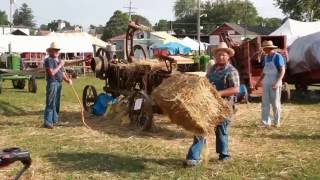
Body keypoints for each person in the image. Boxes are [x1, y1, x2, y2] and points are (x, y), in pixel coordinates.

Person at [185, 42, 240, 166]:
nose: (221, 57)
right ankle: (193, 158)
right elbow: (205, 82)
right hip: (208, 105)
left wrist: (218, 93)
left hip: (224, 106)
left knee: (222, 130)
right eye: (219, 55)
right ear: (215, 57)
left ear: (228, 56)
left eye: (223, 55)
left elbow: (236, 89)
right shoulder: (213, 69)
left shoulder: (232, 71)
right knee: (201, 128)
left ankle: (224, 155)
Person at [255, 40, 286, 128]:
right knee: (265, 103)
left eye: (265, 49)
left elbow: (282, 70)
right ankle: (266, 122)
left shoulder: (277, 57)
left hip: (275, 81)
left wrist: (278, 81)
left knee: (275, 103)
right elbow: (264, 72)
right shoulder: (265, 57)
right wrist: (258, 82)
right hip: (266, 82)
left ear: (269, 48)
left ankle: (276, 122)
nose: (264, 50)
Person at [43, 42, 72, 129]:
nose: (56, 52)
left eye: (57, 50)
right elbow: (51, 73)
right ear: (50, 51)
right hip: (52, 83)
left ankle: (54, 120)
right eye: (55, 50)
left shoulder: (58, 60)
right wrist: (60, 65)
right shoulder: (48, 60)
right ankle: (48, 122)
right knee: (51, 102)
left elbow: (61, 73)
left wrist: (67, 80)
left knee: (56, 103)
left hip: (59, 83)